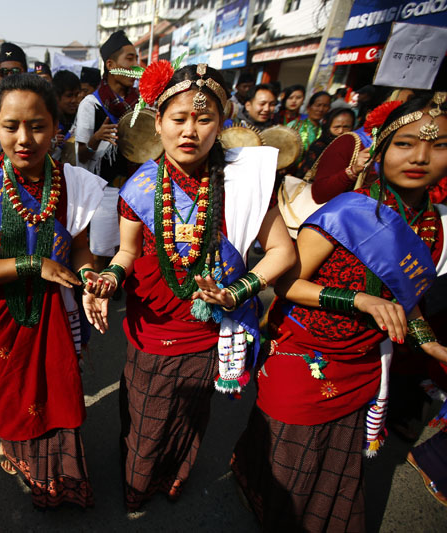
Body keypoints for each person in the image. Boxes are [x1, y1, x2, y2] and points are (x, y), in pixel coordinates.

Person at [231, 92, 447, 532]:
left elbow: (411, 295)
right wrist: (358, 300)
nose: (421, 156)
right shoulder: (349, 211)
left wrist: (431, 344)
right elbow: (288, 283)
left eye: (440, 145)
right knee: (288, 453)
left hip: (364, 359)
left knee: (336, 457)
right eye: (405, 143)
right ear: (382, 147)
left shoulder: (432, 224)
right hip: (306, 351)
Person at [85, 62, 295, 511]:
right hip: (153, 324)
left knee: (191, 411)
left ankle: (174, 474)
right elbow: (125, 252)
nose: (190, 131)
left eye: (204, 119)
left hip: (208, 325)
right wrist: (108, 277)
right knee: (146, 410)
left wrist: (237, 293)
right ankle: (139, 480)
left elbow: (282, 252)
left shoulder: (243, 184)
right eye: (178, 118)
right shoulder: (139, 186)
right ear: (157, 122)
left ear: (221, 124)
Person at [0, 73, 105, 509]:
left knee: (57, 391)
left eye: (38, 126)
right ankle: (20, 458)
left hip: (56, 311)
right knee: (14, 394)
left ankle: (61, 477)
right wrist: (33, 264)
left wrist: (90, 276)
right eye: (10, 126)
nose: (24, 138)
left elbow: (79, 248)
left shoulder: (69, 182)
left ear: (56, 127)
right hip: (3, 313)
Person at [75, 30, 139, 271]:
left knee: (134, 250)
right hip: (106, 192)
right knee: (100, 253)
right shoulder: (91, 104)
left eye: (137, 59)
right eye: (130, 59)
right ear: (111, 65)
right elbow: (81, 155)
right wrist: (94, 140)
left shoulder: (141, 103)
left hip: (135, 191)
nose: (136, 66)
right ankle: (98, 297)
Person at [294, 107, 355, 179]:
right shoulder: (319, 146)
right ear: (328, 126)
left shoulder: (354, 147)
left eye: (346, 127)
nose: (341, 131)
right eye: (336, 127)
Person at [52, 69, 82, 163]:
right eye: (69, 96)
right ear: (56, 96)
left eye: (77, 95)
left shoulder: (81, 119)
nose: (74, 100)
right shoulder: (48, 122)